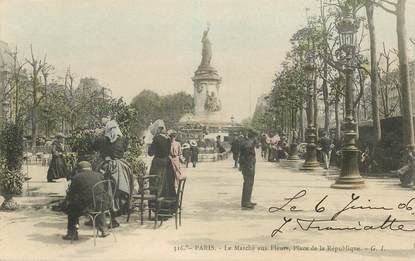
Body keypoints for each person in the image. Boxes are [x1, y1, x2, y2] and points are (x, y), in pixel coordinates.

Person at [62, 161, 109, 241]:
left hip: (86, 207)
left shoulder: (77, 177)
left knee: (71, 208)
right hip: (102, 205)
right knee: (97, 202)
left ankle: (72, 233)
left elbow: (71, 194)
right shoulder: (99, 175)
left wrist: (66, 202)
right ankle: (104, 228)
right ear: (90, 168)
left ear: (79, 169)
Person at [239, 129, 258, 210]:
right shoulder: (248, 144)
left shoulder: (248, 143)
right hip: (248, 166)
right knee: (248, 183)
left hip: (248, 165)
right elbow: (246, 157)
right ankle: (246, 202)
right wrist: (249, 166)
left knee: (248, 183)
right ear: (253, 137)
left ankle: (247, 201)